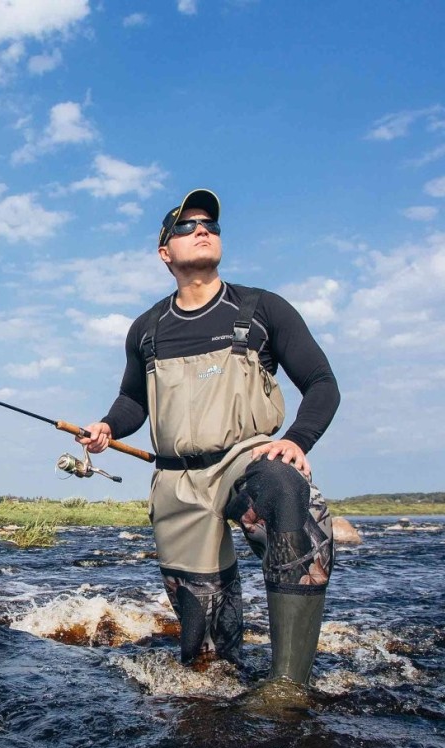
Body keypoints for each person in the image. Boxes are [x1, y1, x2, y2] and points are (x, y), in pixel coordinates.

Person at [78, 189, 340, 685]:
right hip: (177, 482)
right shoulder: (146, 330)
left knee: (287, 490)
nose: (202, 230)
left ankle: (287, 687)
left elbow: (322, 385)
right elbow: (134, 400)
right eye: (186, 225)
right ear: (164, 253)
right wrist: (108, 427)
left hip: (245, 461)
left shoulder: (263, 309)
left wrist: (298, 440)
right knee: (205, 662)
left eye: (210, 225)